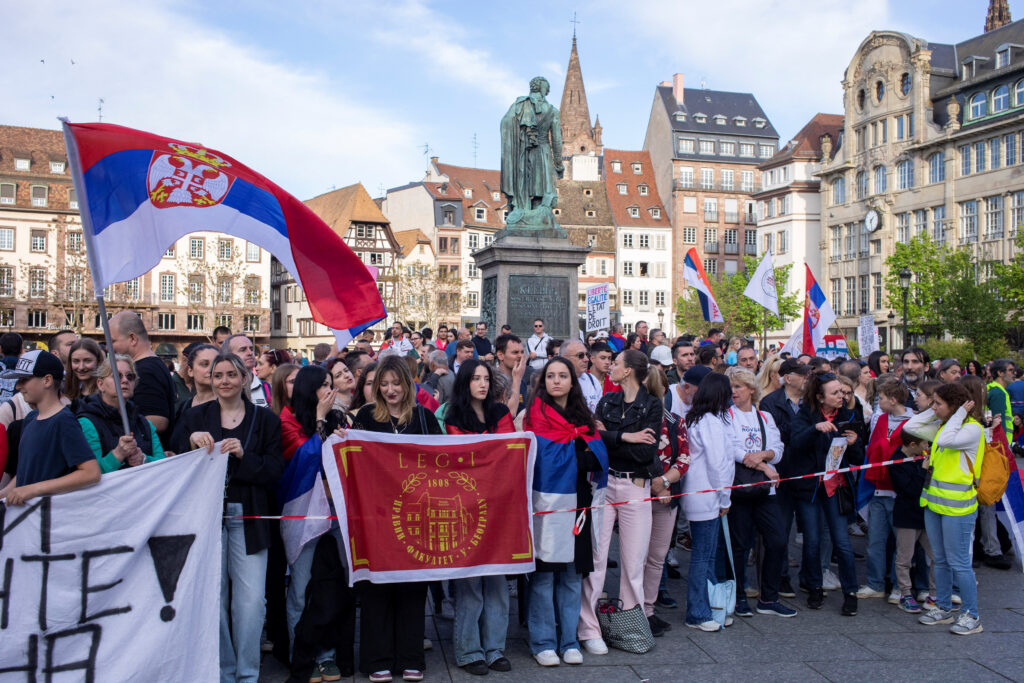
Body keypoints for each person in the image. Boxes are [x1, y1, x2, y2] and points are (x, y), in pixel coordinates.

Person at [175, 352, 284, 681]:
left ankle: (247, 673)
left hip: (249, 517)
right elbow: (173, 458)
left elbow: (275, 471)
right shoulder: (195, 417)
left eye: (231, 375)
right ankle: (222, 671)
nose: (224, 381)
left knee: (251, 602)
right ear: (209, 380)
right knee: (213, 597)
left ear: (245, 379)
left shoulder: (265, 420)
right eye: (218, 375)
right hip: (206, 517)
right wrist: (189, 441)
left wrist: (243, 456)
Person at [352, 355, 441, 682]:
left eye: (396, 383)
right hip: (376, 516)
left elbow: (440, 463)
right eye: (383, 384)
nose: (390, 390)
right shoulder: (364, 416)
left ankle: (410, 657)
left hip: (417, 514)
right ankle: (377, 658)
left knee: (413, 590)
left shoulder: (425, 418)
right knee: (376, 589)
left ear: (408, 384)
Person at [523, 357, 607, 667]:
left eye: (562, 375)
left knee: (573, 577)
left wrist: (577, 453)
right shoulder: (534, 418)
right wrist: (577, 453)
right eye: (550, 376)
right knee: (544, 578)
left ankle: (569, 640)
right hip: (546, 505)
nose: (556, 381)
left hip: (579, 504)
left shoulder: (585, 417)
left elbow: (597, 458)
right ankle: (543, 642)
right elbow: (539, 460)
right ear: (543, 382)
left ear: (573, 381)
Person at [579, 350, 661, 645]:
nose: (610, 367)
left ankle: (629, 628)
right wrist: (626, 437)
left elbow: (646, 452)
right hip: (604, 481)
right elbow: (594, 438)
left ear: (628, 371)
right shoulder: (607, 400)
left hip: (636, 485)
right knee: (596, 559)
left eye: (615, 363)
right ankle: (589, 629)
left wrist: (610, 439)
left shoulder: (652, 404)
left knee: (633, 562)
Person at [280, 365, 355, 681]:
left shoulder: (338, 418)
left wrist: (343, 433)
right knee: (300, 590)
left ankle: (327, 656)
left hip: (335, 514)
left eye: (330, 384)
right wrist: (321, 421)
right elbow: (305, 459)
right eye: (323, 385)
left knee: (333, 588)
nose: (329, 390)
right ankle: (302, 656)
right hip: (302, 514)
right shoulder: (287, 420)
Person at [443, 360, 514, 675]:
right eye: (476, 379)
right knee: (470, 582)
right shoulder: (454, 415)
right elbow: (461, 459)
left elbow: (508, 452)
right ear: (464, 382)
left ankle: (495, 648)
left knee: (497, 582)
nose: (482, 384)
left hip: (500, 506)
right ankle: (469, 650)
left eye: (487, 378)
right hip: (466, 507)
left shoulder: (500, 413)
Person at [903, 383, 985, 634]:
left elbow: (948, 440)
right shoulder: (942, 426)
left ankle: (972, 615)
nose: (932, 406)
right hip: (935, 504)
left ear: (956, 406)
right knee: (939, 560)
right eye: (933, 402)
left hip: (958, 509)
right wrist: (939, 411)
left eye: (937, 403)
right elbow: (911, 427)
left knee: (959, 563)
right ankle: (944, 607)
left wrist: (959, 413)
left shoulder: (971, 429)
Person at [788, 372, 864, 616]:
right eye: (835, 393)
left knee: (842, 543)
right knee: (811, 541)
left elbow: (859, 458)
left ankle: (850, 592)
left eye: (842, 392)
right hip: (811, 488)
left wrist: (854, 444)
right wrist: (814, 429)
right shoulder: (805, 415)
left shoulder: (850, 416)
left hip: (836, 488)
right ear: (820, 397)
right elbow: (794, 443)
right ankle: (814, 587)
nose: (841, 396)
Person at [723, 367, 795, 618]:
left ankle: (769, 597)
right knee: (740, 545)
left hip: (765, 491)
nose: (733, 392)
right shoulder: (727, 416)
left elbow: (778, 447)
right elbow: (731, 447)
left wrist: (764, 455)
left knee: (777, 540)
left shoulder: (764, 417)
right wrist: (765, 465)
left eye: (738, 387)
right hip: (740, 488)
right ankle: (739, 596)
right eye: (731, 387)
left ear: (751, 390)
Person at [0, 350, 101, 505]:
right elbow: (25, 472)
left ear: (47, 380)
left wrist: (33, 489)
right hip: (30, 519)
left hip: (51, 520)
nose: (18, 386)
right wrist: (4, 494)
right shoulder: (30, 419)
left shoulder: (64, 421)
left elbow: (91, 472)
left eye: (24, 379)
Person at [681, 373, 739, 631]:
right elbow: (719, 465)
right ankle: (697, 612)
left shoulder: (702, 418)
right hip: (707, 496)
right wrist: (725, 496)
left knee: (705, 556)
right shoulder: (710, 421)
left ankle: (709, 606)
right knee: (703, 557)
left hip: (704, 494)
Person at [641, 365, 690, 630]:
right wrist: (654, 485)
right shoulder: (633, 419)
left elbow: (683, 457)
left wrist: (665, 482)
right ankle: (633, 606)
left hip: (666, 499)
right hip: (638, 495)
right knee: (634, 555)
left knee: (657, 556)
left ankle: (648, 608)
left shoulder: (674, 421)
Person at [858, 378, 914, 601]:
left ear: (893, 399)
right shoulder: (880, 419)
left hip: (900, 492)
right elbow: (872, 447)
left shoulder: (914, 421)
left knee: (901, 545)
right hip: (879, 489)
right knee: (875, 541)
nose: (878, 401)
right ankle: (875, 583)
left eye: (880, 398)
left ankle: (900, 586)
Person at [77, 353, 166, 472]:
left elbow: (163, 463)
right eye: (117, 376)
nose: (125, 380)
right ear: (100, 384)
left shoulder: (143, 423)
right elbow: (90, 473)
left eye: (130, 376)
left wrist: (143, 459)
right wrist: (117, 455)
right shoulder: (87, 422)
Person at [888, 430, 936, 613]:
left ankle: (934, 594)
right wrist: (923, 470)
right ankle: (905, 593)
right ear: (913, 445)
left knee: (936, 557)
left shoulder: (922, 457)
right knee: (904, 558)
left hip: (926, 514)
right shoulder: (896, 460)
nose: (928, 447)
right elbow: (908, 489)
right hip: (907, 515)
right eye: (925, 443)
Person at [110, 311, 176, 440]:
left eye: (112, 341)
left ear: (133, 339)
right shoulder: (151, 366)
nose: (108, 347)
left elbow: (157, 421)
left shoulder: (145, 371)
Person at [223, 333, 271, 408]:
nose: (250, 353)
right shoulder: (221, 389)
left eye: (251, 349)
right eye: (243, 350)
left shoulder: (268, 389)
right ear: (228, 355)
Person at [174, 344, 220, 417]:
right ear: (190, 371)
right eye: (205, 364)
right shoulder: (184, 407)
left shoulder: (233, 404)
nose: (211, 369)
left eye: (216, 364)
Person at [493, 333, 529, 416]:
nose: (520, 356)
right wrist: (517, 379)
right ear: (500, 355)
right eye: (515, 352)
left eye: (522, 352)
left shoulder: (521, 381)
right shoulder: (491, 381)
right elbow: (509, 413)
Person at [561, 340, 600, 412]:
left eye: (587, 355)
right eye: (580, 355)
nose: (586, 359)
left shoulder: (592, 380)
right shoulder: (556, 382)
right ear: (565, 358)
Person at [65, 338, 104, 405]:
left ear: (98, 361)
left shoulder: (105, 394)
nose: (81, 367)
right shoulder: (69, 392)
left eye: (87, 361)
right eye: (76, 361)